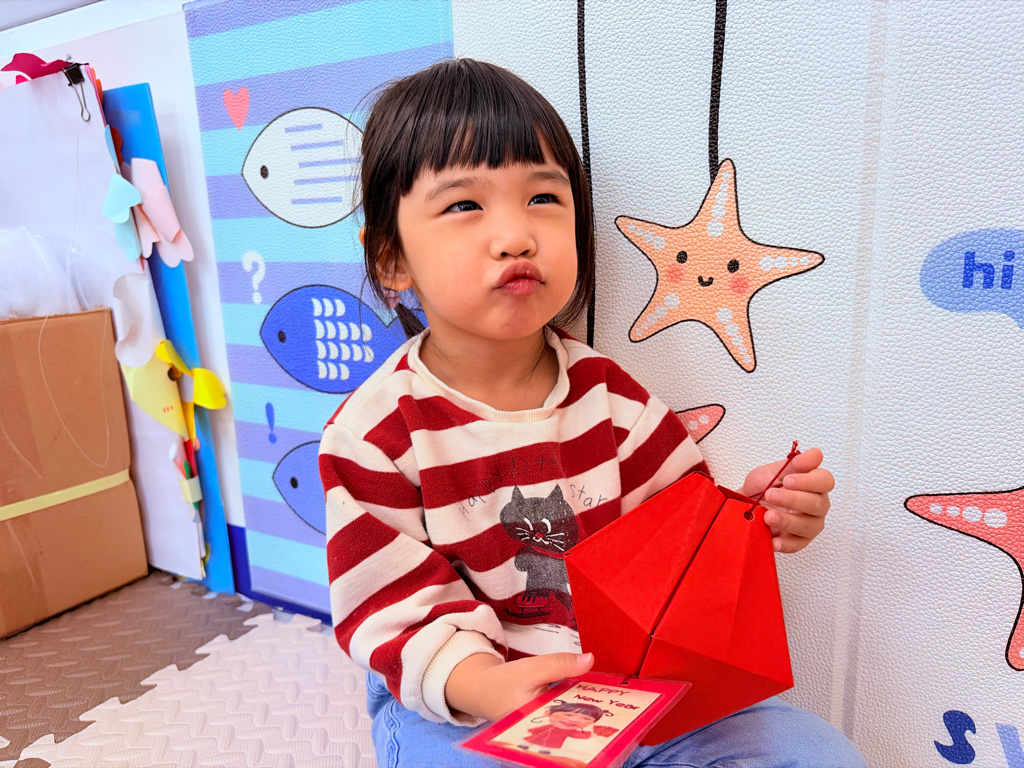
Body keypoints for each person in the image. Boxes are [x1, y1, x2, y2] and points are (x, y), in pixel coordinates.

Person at [320, 58, 867, 768]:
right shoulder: (373, 436)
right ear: (392, 259)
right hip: (457, 699)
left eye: (543, 198)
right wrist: (482, 683)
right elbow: (388, 607)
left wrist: (752, 518)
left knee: (813, 754)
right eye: (463, 206)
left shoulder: (612, 400)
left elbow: (674, 548)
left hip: (624, 683)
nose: (516, 235)